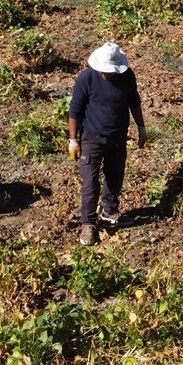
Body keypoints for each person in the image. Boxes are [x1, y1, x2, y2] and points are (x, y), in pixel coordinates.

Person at [68, 42, 147, 246]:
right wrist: (73, 140)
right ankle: (88, 223)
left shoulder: (127, 76)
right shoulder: (86, 79)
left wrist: (141, 128)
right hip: (91, 138)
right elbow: (75, 111)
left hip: (118, 137)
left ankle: (109, 212)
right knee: (90, 181)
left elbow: (134, 102)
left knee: (115, 177)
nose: (107, 74)